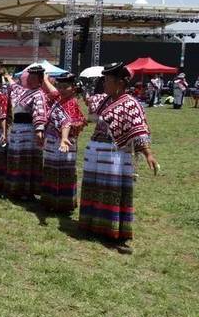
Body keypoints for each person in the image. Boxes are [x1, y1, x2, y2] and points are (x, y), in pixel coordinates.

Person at [79, 62, 158, 254]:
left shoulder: (131, 103)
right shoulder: (104, 100)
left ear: (119, 83)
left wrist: (148, 153)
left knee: (110, 192)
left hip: (115, 155)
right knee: (95, 189)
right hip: (97, 152)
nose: (104, 84)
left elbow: (139, 130)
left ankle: (111, 230)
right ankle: (92, 225)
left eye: (107, 81)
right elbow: (91, 109)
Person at [4, 66, 52, 200]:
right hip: (17, 130)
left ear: (40, 80)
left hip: (28, 131)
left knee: (26, 161)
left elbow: (40, 112)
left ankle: (26, 191)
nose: (30, 80)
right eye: (29, 77)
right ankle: (15, 188)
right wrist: (8, 77)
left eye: (34, 78)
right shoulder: (24, 91)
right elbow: (14, 86)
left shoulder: (39, 94)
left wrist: (39, 129)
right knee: (16, 159)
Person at [41, 72, 86, 213]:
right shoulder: (58, 99)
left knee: (64, 172)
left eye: (65, 87)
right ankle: (50, 201)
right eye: (59, 86)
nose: (61, 89)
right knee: (51, 170)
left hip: (65, 143)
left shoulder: (72, 102)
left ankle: (63, 204)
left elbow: (68, 122)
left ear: (73, 88)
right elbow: (51, 91)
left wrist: (64, 139)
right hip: (52, 141)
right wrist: (45, 79)